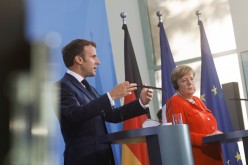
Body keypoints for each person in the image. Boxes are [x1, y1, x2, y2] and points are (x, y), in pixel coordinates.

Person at [56, 39, 153, 165]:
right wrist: (111, 96)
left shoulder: (89, 88)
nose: (98, 61)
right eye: (93, 57)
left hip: (103, 157)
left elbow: (112, 115)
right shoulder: (61, 86)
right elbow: (75, 115)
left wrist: (141, 102)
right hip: (83, 160)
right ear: (79, 60)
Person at [165, 65, 223, 165]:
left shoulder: (197, 100)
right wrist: (206, 138)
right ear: (176, 85)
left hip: (214, 154)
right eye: (184, 80)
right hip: (197, 157)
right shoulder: (174, 102)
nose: (190, 83)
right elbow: (179, 134)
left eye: (191, 78)